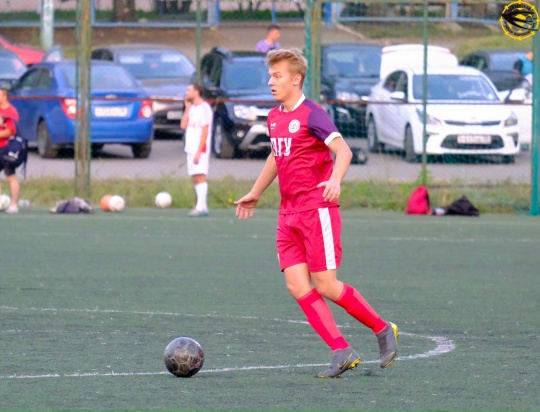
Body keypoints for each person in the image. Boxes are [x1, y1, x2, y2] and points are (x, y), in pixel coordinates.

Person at [234, 49, 398, 378]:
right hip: (288, 215)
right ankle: (341, 350)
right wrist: (255, 192)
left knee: (326, 285)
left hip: (316, 210)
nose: (271, 82)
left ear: (296, 79)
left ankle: (383, 329)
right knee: (297, 286)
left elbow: (343, 151)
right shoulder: (274, 117)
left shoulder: (312, 114)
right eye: (270, 76)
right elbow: (276, 157)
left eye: (277, 76)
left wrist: (335, 180)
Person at [180, 83, 213, 217]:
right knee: (194, 176)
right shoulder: (192, 108)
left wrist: (199, 151)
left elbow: (205, 130)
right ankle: (202, 206)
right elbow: (183, 125)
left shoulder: (204, 108)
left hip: (200, 148)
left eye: (189, 90)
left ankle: (201, 207)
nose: (186, 92)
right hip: (190, 147)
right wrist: (187, 109)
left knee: (200, 175)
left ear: (196, 92)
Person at [0, 86, 21, 214]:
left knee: (10, 176)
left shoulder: (11, 112)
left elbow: (9, 131)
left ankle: (14, 205)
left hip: (7, 148)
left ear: (4, 97)